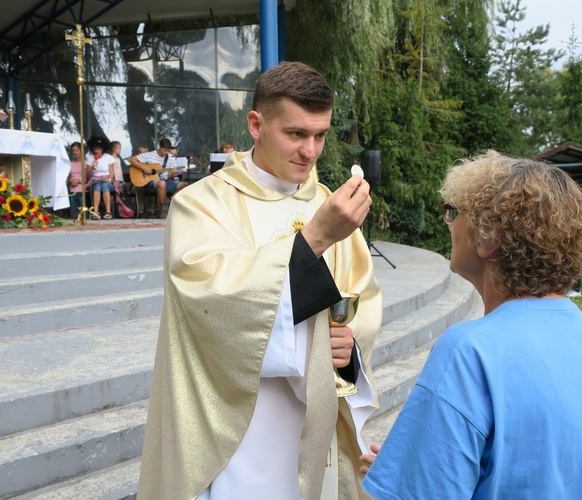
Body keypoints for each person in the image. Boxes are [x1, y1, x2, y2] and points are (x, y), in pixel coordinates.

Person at [138, 61, 381, 499]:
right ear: (256, 124)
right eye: (296, 134)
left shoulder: (328, 202)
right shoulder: (202, 205)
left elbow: (360, 298)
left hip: (318, 419)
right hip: (240, 427)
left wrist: (349, 349)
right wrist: (316, 238)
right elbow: (210, 305)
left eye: (320, 135)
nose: (311, 151)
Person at [360, 152, 582, 498]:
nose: (450, 225)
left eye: (456, 212)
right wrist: (410, 469)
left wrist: (404, 482)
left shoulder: (471, 350)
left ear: (487, 236)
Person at [127, 138, 177, 218]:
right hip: (147, 181)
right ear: (160, 147)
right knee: (142, 186)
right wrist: (144, 168)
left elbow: (169, 176)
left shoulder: (170, 158)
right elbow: (131, 160)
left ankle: (156, 210)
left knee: (181, 185)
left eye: (167, 151)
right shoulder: (149, 156)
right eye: (164, 150)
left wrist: (173, 174)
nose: (166, 153)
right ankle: (142, 211)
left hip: (159, 180)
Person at [85, 136, 115, 219]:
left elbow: (112, 172)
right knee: (97, 186)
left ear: (103, 149)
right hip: (94, 180)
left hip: (107, 180)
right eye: (95, 149)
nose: (96, 151)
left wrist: (110, 179)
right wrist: (92, 166)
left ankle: (108, 211)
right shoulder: (90, 158)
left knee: (104, 186)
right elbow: (88, 175)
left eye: (98, 149)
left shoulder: (108, 157)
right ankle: (95, 211)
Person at [66, 141, 85, 220]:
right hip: (72, 191)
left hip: (82, 191)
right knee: (73, 215)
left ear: (81, 150)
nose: (75, 152)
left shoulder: (85, 163)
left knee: (83, 214)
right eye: (73, 151)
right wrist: (70, 181)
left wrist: (79, 181)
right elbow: (67, 178)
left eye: (76, 150)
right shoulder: (70, 164)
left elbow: (88, 177)